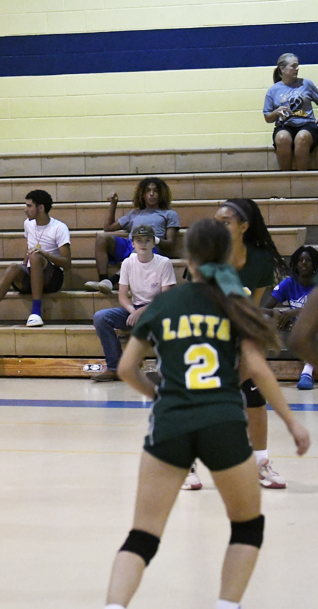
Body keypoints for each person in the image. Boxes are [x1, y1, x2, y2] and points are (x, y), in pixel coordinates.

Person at [102, 218, 310, 609]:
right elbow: (258, 369)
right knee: (247, 528)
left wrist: (158, 394)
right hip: (223, 423)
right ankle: (226, 605)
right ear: (230, 257)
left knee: (143, 535)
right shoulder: (235, 305)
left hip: (171, 423)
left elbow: (127, 369)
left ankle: (115, 605)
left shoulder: (163, 304)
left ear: (189, 260)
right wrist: (292, 422)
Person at [183, 198, 289, 490]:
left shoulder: (260, 260)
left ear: (243, 226)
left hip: (238, 333)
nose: (218, 227)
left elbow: (253, 307)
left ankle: (260, 463)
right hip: (202, 331)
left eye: (225, 222)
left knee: (255, 395)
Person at [0, 189, 71, 334]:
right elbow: (28, 247)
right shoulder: (28, 224)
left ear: (41, 208)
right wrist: (23, 267)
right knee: (13, 267)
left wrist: (44, 253)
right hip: (33, 272)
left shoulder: (59, 228)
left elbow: (67, 263)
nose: (25, 209)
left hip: (52, 278)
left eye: (29, 206)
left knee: (35, 256)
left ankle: (36, 312)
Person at [91, 225, 176, 382]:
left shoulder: (164, 263)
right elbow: (122, 296)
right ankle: (115, 367)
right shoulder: (128, 263)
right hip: (135, 308)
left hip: (158, 310)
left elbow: (165, 298)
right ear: (133, 244)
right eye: (139, 240)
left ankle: (166, 369)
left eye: (147, 240)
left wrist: (141, 312)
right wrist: (132, 311)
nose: (143, 244)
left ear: (153, 243)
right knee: (101, 317)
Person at [85, 178, 179, 294]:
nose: (151, 194)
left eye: (155, 191)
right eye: (148, 191)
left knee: (140, 246)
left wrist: (151, 239)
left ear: (161, 194)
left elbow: (170, 244)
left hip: (151, 247)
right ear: (142, 195)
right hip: (131, 243)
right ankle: (102, 281)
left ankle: (111, 282)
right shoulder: (135, 213)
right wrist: (113, 204)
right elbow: (108, 227)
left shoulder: (169, 214)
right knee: (102, 238)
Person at [262, 245, 318, 389]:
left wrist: (296, 312)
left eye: (308, 260)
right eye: (300, 260)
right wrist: (277, 314)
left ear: (314, 264)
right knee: (264, 318)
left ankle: (307, 373)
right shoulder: (288, 283)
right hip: (292, 329)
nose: (303, 263)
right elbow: (265, 308)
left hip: (313, 330)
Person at [263, 53, 318, 171]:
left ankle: (301, 176)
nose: (297, 69)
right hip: (284, 125)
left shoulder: (306, 84)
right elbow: (267, 117)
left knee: (302, 137)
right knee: (282, 138)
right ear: (282, 69)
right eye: (293, 66)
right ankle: (286, 176)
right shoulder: (273, 90)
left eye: (297, 66)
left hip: (306, 124)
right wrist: (276, 112)